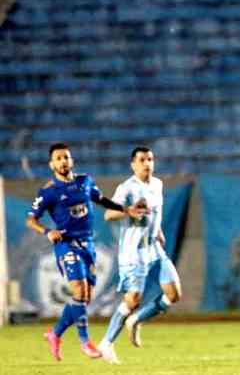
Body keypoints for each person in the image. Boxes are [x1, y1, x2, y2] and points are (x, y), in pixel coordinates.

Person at [26, 143, 147, 361]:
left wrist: (126, 209)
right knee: (80, 292)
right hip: (66, 243)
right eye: (58, 158)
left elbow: (101, 200)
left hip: (87, 244)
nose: (63, 161)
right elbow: (31, 219)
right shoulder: (49, 191)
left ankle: (55, 334)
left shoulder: (85, 181)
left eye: (66, 157)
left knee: (84, 297)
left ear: (71, 161)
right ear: (51, 164)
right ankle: (86, 342)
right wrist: (47, 231)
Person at [97, 147, 182, 364]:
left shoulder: (157, 184)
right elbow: (108, 215)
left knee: (173, 294)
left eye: (150, 159)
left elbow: (156, 211)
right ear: (133, 164)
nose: (147, 163)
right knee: (132, 300)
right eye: (142, 160)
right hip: (133, 253)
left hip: (154, 248)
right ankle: (106, 343)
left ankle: (135, 320)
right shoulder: (126, 188)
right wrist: (128, 210)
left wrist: (159, 230)